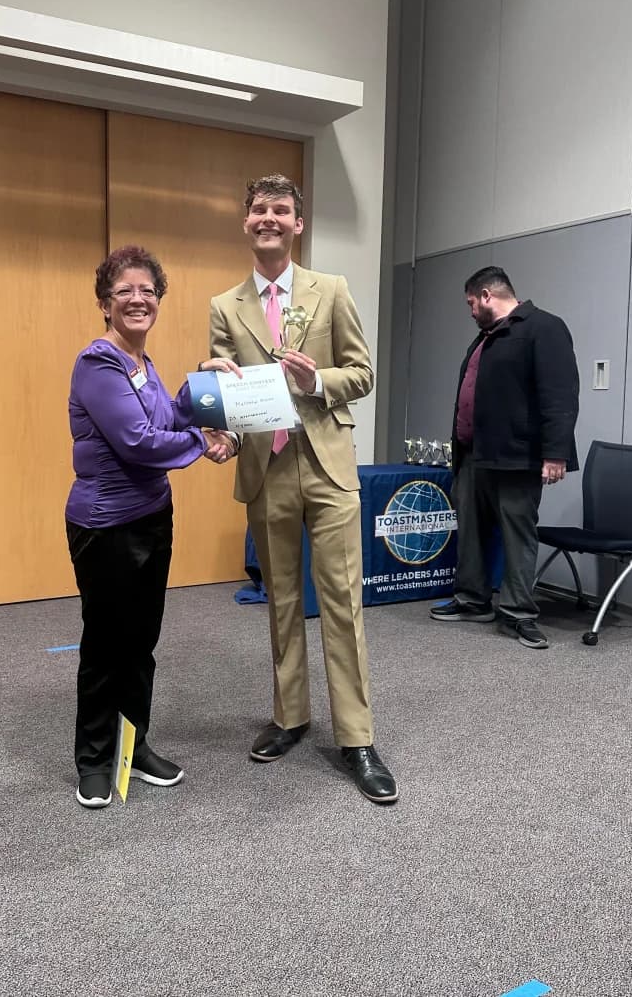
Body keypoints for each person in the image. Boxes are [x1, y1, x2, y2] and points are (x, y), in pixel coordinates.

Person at [208, 174, 398, 804]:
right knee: (282, 600)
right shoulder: (224, 306)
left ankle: (357, 737)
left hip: (326, 465)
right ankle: (290, 717)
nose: (269, 218)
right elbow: (225, 394)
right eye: (259, 209)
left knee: (342, 600)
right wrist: (218, 423)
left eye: (280, 210)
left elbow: (363, 373)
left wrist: (317, 381)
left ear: (297, 223)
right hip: (265, 469)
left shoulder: (331, 290)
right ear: (246, 222)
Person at [65, 245, 238, 809]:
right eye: (125, 292)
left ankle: (133, 747)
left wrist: (200, 383)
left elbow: (166, 417)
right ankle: (95, 760)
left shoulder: (143, 364)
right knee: (105, 644)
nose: (138, 299)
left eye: (148, 291)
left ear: (158, 300)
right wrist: (202, 442)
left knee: (141, 643)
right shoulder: (99, 364)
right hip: (105, 525)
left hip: (152, 518)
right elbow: (138, 442)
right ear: (105, 304)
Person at [430, 265, 579, 649]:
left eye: (471, 303)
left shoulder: (543, 327)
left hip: (517, 456)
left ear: (487, 295)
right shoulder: (487, 337)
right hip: (474, 455)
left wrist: (555, 453)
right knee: (471, 531)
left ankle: (518, 613)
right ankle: (472, 600)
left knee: (517, 534)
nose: (470, 311)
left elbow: (560, 394)